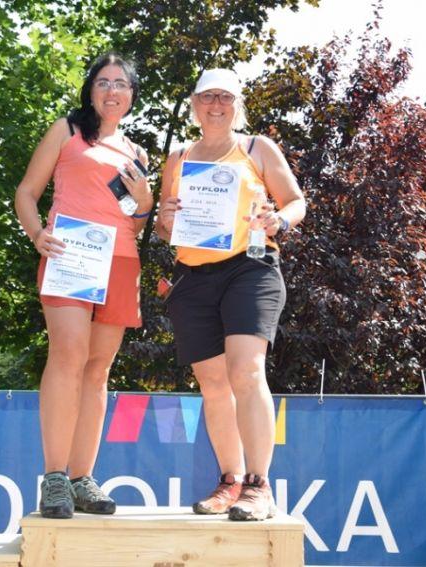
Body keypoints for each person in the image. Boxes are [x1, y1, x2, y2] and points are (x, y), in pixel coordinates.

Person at [156, 68, 305, 521]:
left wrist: (279, 220)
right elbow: (163, 226)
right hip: (192, 277)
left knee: (246, 370)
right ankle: (230, 482)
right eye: (207, 97)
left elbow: (296, 201)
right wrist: (167, 219)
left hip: (250, 268)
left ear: (237, 105)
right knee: (214, 384)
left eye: (225, 97)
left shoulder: (258, 147)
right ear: (194, 104)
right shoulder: (178, 157)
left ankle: (259, 487)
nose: (216, 104)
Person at [14, 53, 152, 519]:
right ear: (90, 90)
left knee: (98, 370)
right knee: (68, 355)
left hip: (121, 259)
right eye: (103, 82)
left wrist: (145, 201)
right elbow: (26, 192)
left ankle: (81, 478)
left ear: (132, 95)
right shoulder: (66, 131)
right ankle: (55, 477)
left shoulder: (136, 154)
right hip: (71, 255)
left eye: (121, 83)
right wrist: (37, 233)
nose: (112, 91)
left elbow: (136, 221)